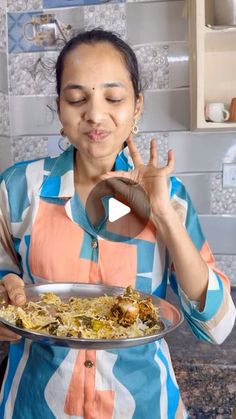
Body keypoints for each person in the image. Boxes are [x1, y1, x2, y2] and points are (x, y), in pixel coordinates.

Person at [0, 28, 235, 419]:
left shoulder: (169, 195)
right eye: (77, 98)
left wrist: (161, 214)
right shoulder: (19, 188)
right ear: (59, 106)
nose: (94, 113)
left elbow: (217, 323)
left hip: (142, 405)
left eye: (113, 97)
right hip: (35, 405)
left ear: (137, 106)